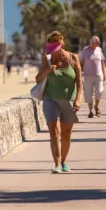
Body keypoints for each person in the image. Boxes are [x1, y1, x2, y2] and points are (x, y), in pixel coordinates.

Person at [36, 31, 83, 174]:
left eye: (55, 50)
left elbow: (79, 80)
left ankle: (63, 161)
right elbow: (38, 79)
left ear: (62, 45)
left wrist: (78, 99)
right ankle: (56, 164)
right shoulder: (47, 59)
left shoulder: (73, 58)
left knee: (66, 133)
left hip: (68, 99)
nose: (53, 53)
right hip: (50, 98)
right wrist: (47, 71)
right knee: (55, 131)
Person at [79, 36, 106, 118]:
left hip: (98, 74)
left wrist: (104, 74)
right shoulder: (85, 50)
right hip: (87, 75)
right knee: (88, 93)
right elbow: (80, 62)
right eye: (97, 42)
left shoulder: (99, 49)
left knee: (99, 92)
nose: (98, 43)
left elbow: (102, 62)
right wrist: (79, 73)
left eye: (99, 42)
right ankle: (90, 111)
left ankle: (96, 106)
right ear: (92, 42)